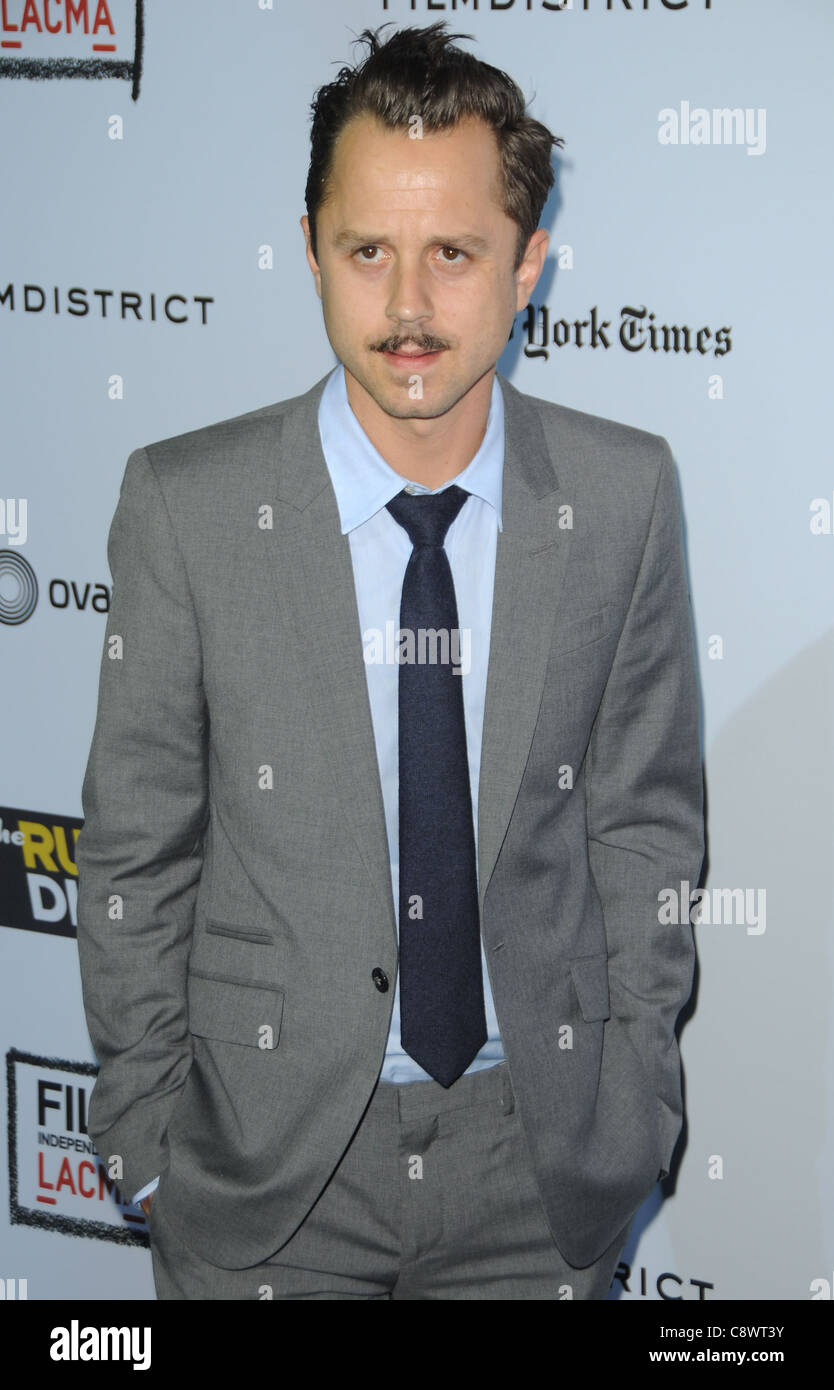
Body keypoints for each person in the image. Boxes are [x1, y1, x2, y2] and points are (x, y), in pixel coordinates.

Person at [76, 21, 704, 1301]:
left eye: (455, 254)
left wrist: (633, 1101)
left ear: (528, 264)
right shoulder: (188, 505)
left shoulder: (621, 494)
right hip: (262, 1169)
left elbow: (645, 826)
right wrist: (147, 1134)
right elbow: (136, 843)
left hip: (538, 1164)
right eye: (368, 251)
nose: (408, 306)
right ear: (310, 249)